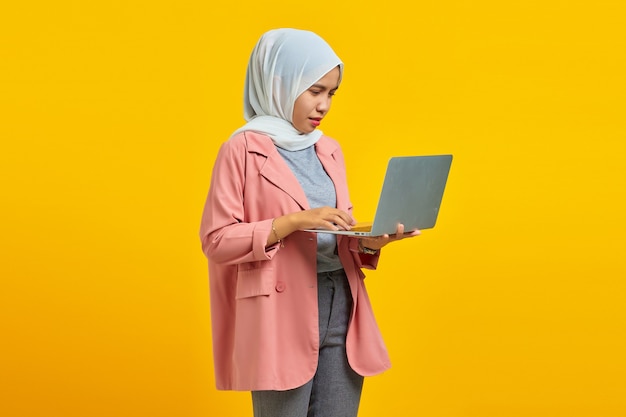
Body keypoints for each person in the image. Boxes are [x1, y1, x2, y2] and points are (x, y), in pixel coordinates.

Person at [199, 28, 419, 417]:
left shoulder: (329, 149)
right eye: (315, 91)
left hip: (342, 303)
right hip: (277, 312)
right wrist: (292, 221)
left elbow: (335, 233)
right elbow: (216, 241)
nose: (324, 106)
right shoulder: (242, 149)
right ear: (280, 83)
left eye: (331, 93)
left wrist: (371, 241)